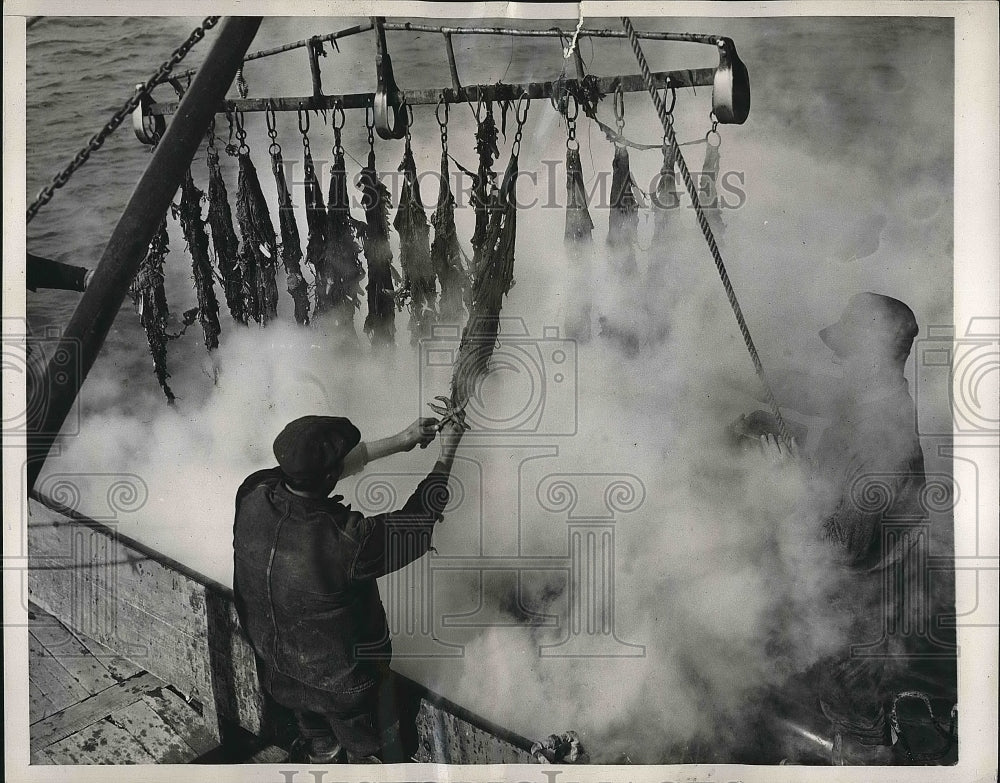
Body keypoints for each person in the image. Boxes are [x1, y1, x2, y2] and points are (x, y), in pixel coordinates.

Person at [750, 292, 935, 761]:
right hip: (865, 608)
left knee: (857, 738)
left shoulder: (880, 432)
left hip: (863, 625)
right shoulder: (874, 401)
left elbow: (840, 547)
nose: (838, 360)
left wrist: (785, 481)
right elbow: (809, 398)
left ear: (872, 357)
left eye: (847, 352)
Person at [232, 411, 466, 763]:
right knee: (370, 752)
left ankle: (322, 754)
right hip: (345, 689)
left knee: (319, 740)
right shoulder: (346, 541)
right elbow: (417, 524)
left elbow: (316, 472)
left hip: (280, 674)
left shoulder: (252, 493)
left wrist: (402, 441)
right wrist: (446, 455)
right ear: (329, 476)